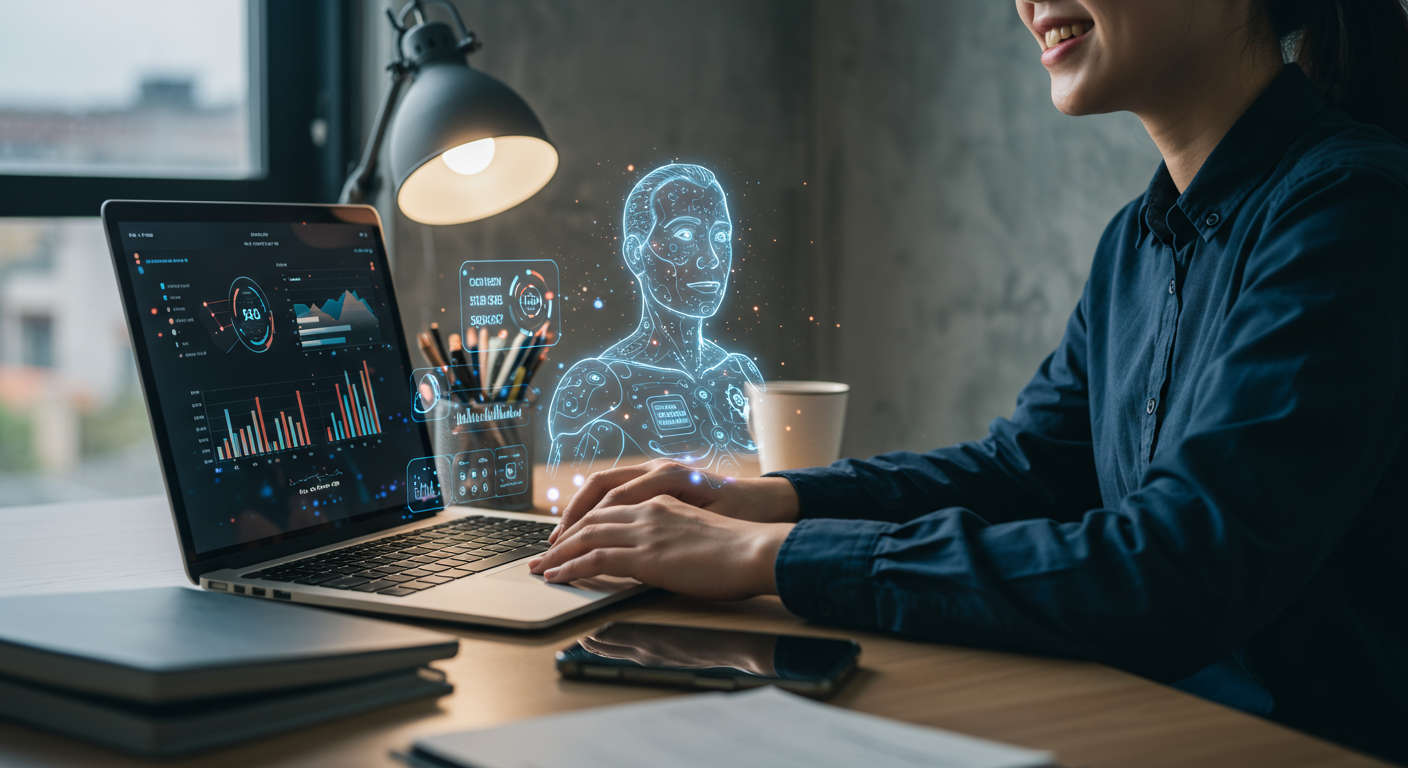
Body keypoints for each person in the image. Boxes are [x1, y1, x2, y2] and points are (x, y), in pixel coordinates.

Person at [529, 0, 1408, 759]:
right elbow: (1022, 474)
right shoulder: (1135, 245)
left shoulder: (1352, 212)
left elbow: (1178, 568)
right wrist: (765, 502)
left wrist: (773, 559)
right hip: (1153, 721)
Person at [545, 163, 763, 477]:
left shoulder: (739, 373)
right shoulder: (601, 386)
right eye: (685, 233)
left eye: (720, 235)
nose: (711, 257)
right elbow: (565, 510)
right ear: (636, 253)